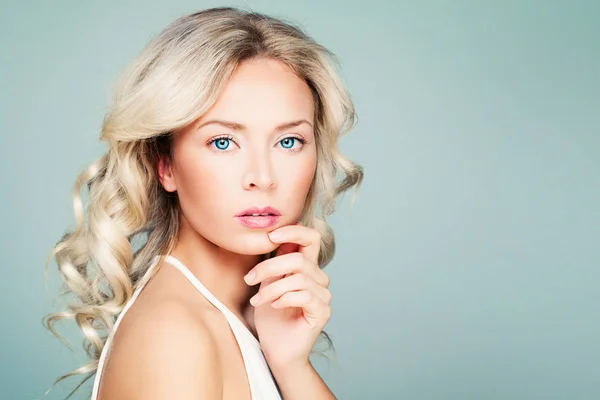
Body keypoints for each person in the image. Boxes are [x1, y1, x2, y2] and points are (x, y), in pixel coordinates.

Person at [42, 6, 363, 400]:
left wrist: (292, 365)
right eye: (223, 142)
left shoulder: (235, 321)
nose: (262, 177)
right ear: (166, 166)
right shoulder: (173, 336)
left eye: (288, 141)